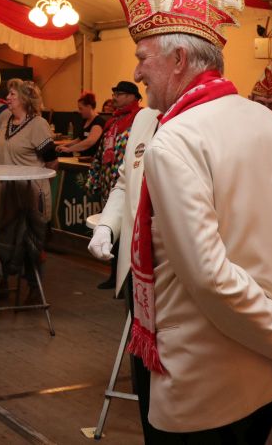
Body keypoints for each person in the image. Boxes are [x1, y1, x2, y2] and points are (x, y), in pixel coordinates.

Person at [110, 0, 272, 442]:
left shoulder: (174, 141)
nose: (136, 74)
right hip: (265, 378)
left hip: (203, 383)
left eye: (142, 58)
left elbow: (210, 277)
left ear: (179, 59)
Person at [86, 103, 160, 438]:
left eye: (144, 72)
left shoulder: (211, 117)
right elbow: (123, 182)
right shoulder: (145, 118)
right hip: (137, 272)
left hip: (179, 277)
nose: (138, 78)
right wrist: (107, 225)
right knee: (143, 375)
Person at [0, 78, 57, 302]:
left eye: (12, 94)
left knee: (31, 242)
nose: (7, 98)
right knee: (1, 236)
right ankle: (1, 281)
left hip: (31, 194)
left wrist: (40, 183)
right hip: (6, 193)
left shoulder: (38, 124)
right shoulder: (6, 121)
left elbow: (52, 161)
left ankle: (34, 287)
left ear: (25, 99)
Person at [85, 80, 142, 207]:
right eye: (114, 94)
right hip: (107, 188)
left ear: (131, 96)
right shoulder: (112, 122)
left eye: (118, 94)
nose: (114, 98)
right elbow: (100, 154)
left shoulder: (141, 119)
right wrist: (92, 181)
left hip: (129, 190)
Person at [55, 90, 106, 158]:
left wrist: (69, 149)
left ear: (89, 107)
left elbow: (89, 142)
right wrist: (64, 145)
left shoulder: (98, 122)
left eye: (81, 108)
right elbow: (79, 139)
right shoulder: (85, 120)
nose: (79, 111)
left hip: (94, 159)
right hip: (83, 158)